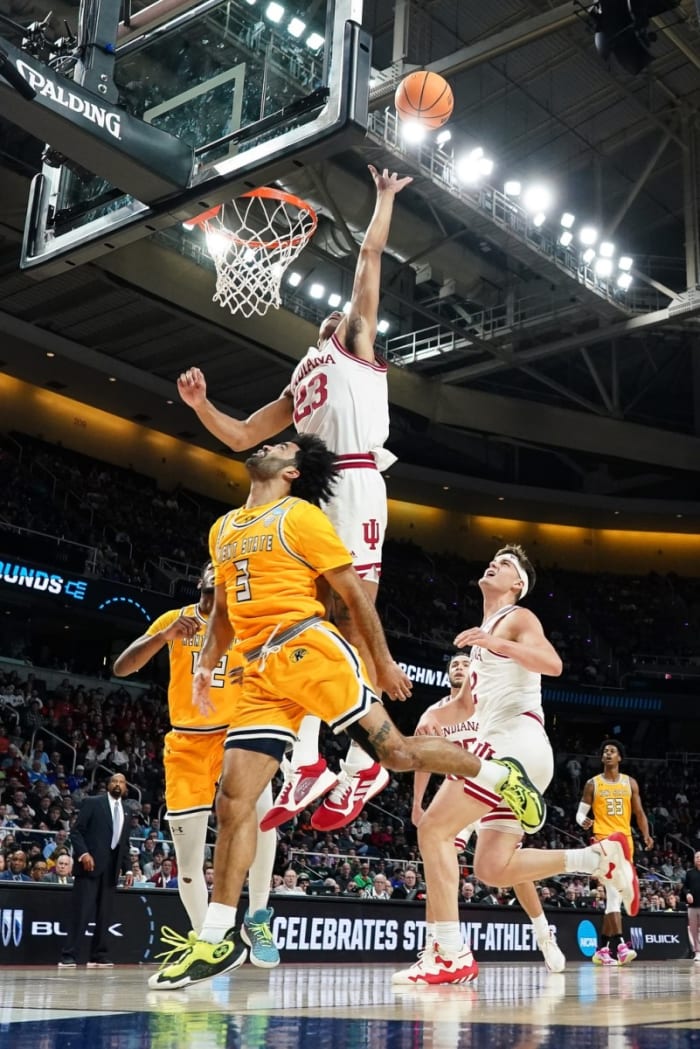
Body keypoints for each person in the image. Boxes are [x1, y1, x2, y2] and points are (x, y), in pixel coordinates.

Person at [151, 435, 546, 990]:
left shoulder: (302, 517)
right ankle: (217, 938)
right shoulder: (223, 529)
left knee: (397, 753)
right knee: (234, 799)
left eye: (283, 446)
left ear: (292, 471)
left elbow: (355, 594)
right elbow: (222, 611)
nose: (269, 445)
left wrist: (380, 662)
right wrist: (205, 664)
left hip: (309, 649)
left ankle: (499, 775)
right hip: (258, 671)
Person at [177, 163, 413, 834]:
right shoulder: (304, 370)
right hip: (311, 498)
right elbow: (248, 434)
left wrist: (385, 197)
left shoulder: (355, 349)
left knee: (348, 611)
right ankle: (309, 757)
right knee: (299, 620)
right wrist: (201, 405)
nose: (344, 315)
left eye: (352, 316)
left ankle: (361, 761)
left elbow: (369, 258)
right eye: (337, 316)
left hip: (358, 480)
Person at [394, 544, 640, 986]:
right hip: (518, 752)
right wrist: (429, 729)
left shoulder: (517, 619)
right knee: (491, 868)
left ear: (517, 585)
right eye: (495, 559)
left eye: (506, 564)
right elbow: (465, 708)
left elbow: (554, 663)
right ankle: (596, 859)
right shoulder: (483, 634)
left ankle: (449, 953)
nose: (495, 563)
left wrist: (495, 642)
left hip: (515, 743)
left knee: (433, 829)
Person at [113, 562, 279, 970]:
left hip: (234, 735)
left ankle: (257, 917)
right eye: (208, 585)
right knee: (187, 861)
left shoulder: (249, 623)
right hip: (186, 743)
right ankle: (207, 941)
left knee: (264, 815)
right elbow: (122, 667)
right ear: (200, 584)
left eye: (221, 586)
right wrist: (162, 636)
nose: (212, 595)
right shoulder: (176, 619)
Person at [407, 650, 566, 975]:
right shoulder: (435, 712)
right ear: (448, 674)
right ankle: (435, 947)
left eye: (466, 663)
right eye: (455, 664)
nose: (460, 667)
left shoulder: (488, 703)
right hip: (459, 793)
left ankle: (543, 932)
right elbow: (423, 759)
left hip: (493, 789)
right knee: (436, 861)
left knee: (510, 870)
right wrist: (417, 803)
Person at [578, 739, 653, 966]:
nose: (608, 754)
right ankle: (620, 945)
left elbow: (639, 813)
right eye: (605, 751)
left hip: (626, 843)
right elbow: (579, 813)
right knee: (613, 891)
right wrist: (583, 821)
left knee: (616, 895)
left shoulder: (630, 783)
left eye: (612, 751)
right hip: (603, 841)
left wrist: (646, 835)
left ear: (620, 757)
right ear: (602, 758)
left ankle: (602, 948)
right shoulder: (593, 783)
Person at [58, 773, 133, 967]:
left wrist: (129, 869)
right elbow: (76, 831)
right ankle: (69, 954)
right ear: (108, 785)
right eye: (114, 781)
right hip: (89, 867)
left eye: (121, 783)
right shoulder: (93, 802)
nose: (118, 785)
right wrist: (83, 854)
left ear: (125, 788)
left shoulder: (127, 810)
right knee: (81, 913)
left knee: (104, 915)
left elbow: (124, 843)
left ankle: (98, 955)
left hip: (111, 870)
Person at [683, 851, 700, 961]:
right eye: (696, 857)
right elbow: (684, 888)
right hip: (692, 906)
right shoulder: (690, 873)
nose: (698, 858)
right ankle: (697, 952)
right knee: (693, 930)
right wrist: (687, 893)